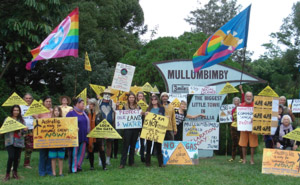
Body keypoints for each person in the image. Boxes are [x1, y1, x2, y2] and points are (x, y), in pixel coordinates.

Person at [3, 105, 28, 181]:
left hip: (19, 141)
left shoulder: (22, 120)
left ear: (19, 111)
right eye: (14, 110)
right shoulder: (8, 119)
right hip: (9, 141)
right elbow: (4, 130)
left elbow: (24, 134)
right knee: (11, 157)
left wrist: (24, 130)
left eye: (17, 110)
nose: (16, 112)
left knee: (16, 158)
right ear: (12, 111)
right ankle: (7, 174)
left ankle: (15, 173)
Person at [66, 98, 90, 173]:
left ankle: (78, 166)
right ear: (77, 104)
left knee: (82, 153)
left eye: (84, 103)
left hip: (84, 136)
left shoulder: (84, 113)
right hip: (74, 137)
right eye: (82, 103)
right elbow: (66, 124)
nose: (84, 105)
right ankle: (73, 168)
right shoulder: (71, 113)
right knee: (74, 153)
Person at [119, 92, 141, 169]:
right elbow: (121, 115)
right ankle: (122, 163)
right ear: (128, 98)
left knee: (133, 146)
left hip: (135, 129)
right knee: (125, 145)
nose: (131, 99)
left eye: (133, 97)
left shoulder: (138, 107)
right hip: (127, 129)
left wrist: (142, 113)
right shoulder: (125, 106)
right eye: (130, 97)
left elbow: (140, 116)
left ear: (135, 98)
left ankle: (131, 162)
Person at [86, 98, 107, 171]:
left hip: (98, 134)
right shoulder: (87, 113)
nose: (90, 106)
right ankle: (91, 166)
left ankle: (104, 166)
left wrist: (104, 134)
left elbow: (102, 124)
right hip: (90, 134)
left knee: (101, 150)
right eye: (89, 104)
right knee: (90, 149)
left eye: (92, 104)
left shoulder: (99, 113)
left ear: (95, 105)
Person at [34, 96, 53, 176]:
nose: (48, 103)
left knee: (50, 155)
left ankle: (49, 171)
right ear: (43, 102)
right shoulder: (40, 111)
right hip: (42, 137)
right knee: (42, 155)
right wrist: (37, 117)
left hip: (51, 136)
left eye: (50, 101)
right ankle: (41, 172)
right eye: (47, 101)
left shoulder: (52, 111)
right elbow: (33, 115)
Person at [238, 91, 258, 165]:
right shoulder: (241, 106)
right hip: (244, 127)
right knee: (243, 144)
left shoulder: (256, 106)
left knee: (253, 144)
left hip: (253, 128)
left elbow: (259, 115)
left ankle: (252, 159)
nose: (248, 97)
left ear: (252, 97)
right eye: (247, 96)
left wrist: (255, 118)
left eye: (250, 96)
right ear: (245, 97)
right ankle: (244, 159)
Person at [145, 95, 165, 167]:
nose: (154, 101)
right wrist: (146, 114)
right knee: (149, 146)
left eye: (155, 99)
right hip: (150, 129)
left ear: (157, 100)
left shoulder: (161, 108)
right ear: (151, 101)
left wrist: (166, 118)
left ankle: (161, 163)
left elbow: (163, 118)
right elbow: (146, 119)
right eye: (152, 99)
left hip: (158, 130)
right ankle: (147, 162)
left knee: (159, 146)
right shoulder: (149, 108)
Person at [98, 88, 116, 166]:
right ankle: (100, 160)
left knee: (109, 143)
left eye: (109, 94)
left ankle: (108, 160)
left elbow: (116, 112)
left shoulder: (112, 103)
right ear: (103, 95)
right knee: (100, 144)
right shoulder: (99, 102)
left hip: (110, 126)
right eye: (106, 94)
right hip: (100, 126)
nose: (107, 95)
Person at [48, 106, 65, 176]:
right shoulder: (49, 121)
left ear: (60, 112)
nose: (56, 112)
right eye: (55, 110)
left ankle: (61, 172)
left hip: (61, 141)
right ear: (53, 112)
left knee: (60, 158)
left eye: (58, 110)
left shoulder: (64, 120)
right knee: (53, 158)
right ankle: (54, 173)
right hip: (52, 142)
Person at [20, 93, 34, 169]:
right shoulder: (20, 107)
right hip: (22, 130)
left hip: (31, 129)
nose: (28, 99)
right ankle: (15, 163)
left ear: (32, 99)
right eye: (26, 98)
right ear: (23, 99)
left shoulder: (35, 107)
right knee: (18, 147)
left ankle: (26, 164)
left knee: (29, 148)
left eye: (30, 98)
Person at [228, 97, 243, 162]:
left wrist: (241, 90)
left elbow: (243, 99)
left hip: (240, 126)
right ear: (233, 102)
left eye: (237, 101)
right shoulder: (233, 110)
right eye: (235, 101)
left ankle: (241, 158)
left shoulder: (241, 108)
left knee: (240, 142)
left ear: (239, 102)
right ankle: (233, 157)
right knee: (234, 142)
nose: (236, 102)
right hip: (233, 126)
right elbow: (232, 119)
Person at [136, 91, 146, 162]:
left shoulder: (146, 105)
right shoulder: (134, 104)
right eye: (139, 96)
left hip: (143, 124)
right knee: (134, 140)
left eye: (141, 96)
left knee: (142, 141)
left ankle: (142, 156)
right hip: (135, 124)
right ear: (137, 97)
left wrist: (144, 113)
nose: (140, 97)